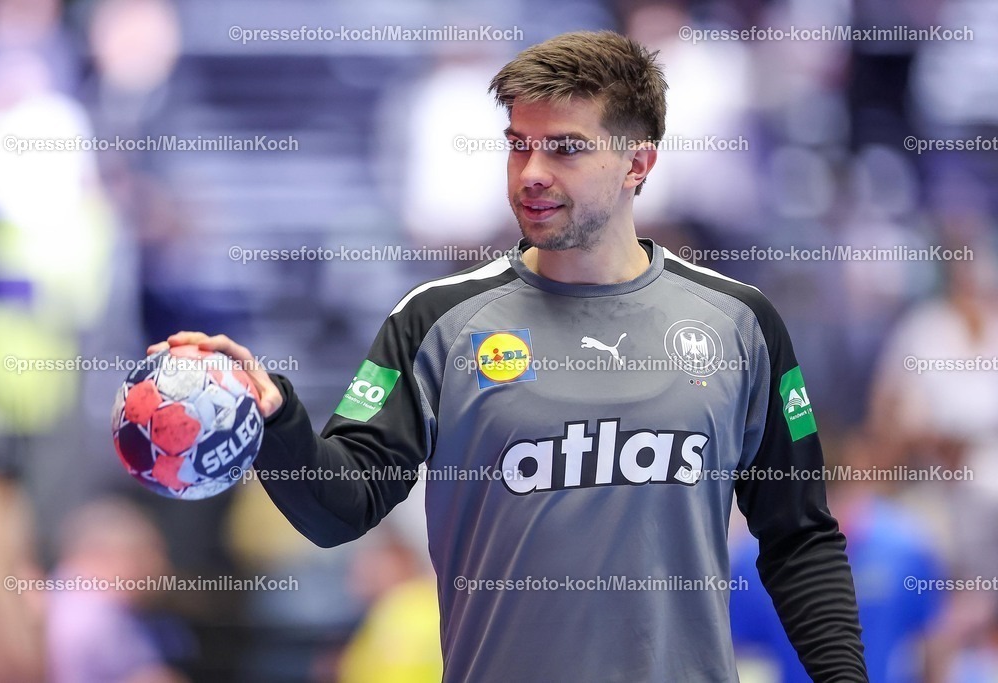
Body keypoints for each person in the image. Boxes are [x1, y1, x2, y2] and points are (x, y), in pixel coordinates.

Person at [150, 30, 868, 682]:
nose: (529, 171)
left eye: (564, 147)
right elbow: (342, 507)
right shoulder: (435, 322)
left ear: (637, 163)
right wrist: (277, 415)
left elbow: (798, 536)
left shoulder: (742, 323)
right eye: (518, 143)